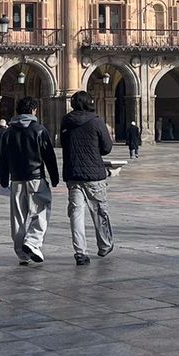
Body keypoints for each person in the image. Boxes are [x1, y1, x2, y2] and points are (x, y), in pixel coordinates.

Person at [0, 95, 59, 266]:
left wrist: (2, 179)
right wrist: (54, 177)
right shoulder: (39, 130)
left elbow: (1, 158)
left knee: (18, 217)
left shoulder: (8, 133)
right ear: (33, 110)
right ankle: (32, 242)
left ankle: (22, 254)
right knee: (41, 211)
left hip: (16, 180)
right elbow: (49, 156)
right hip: (36, 178)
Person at [60, 91, 115, 266]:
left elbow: (63, 144)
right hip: (94, 174)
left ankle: (80, 252)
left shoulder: (66, 121)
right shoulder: (96, 121)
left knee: (76, 214)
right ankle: (104, 245)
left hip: (73, 173)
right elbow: (107, 148)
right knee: (99, 210)